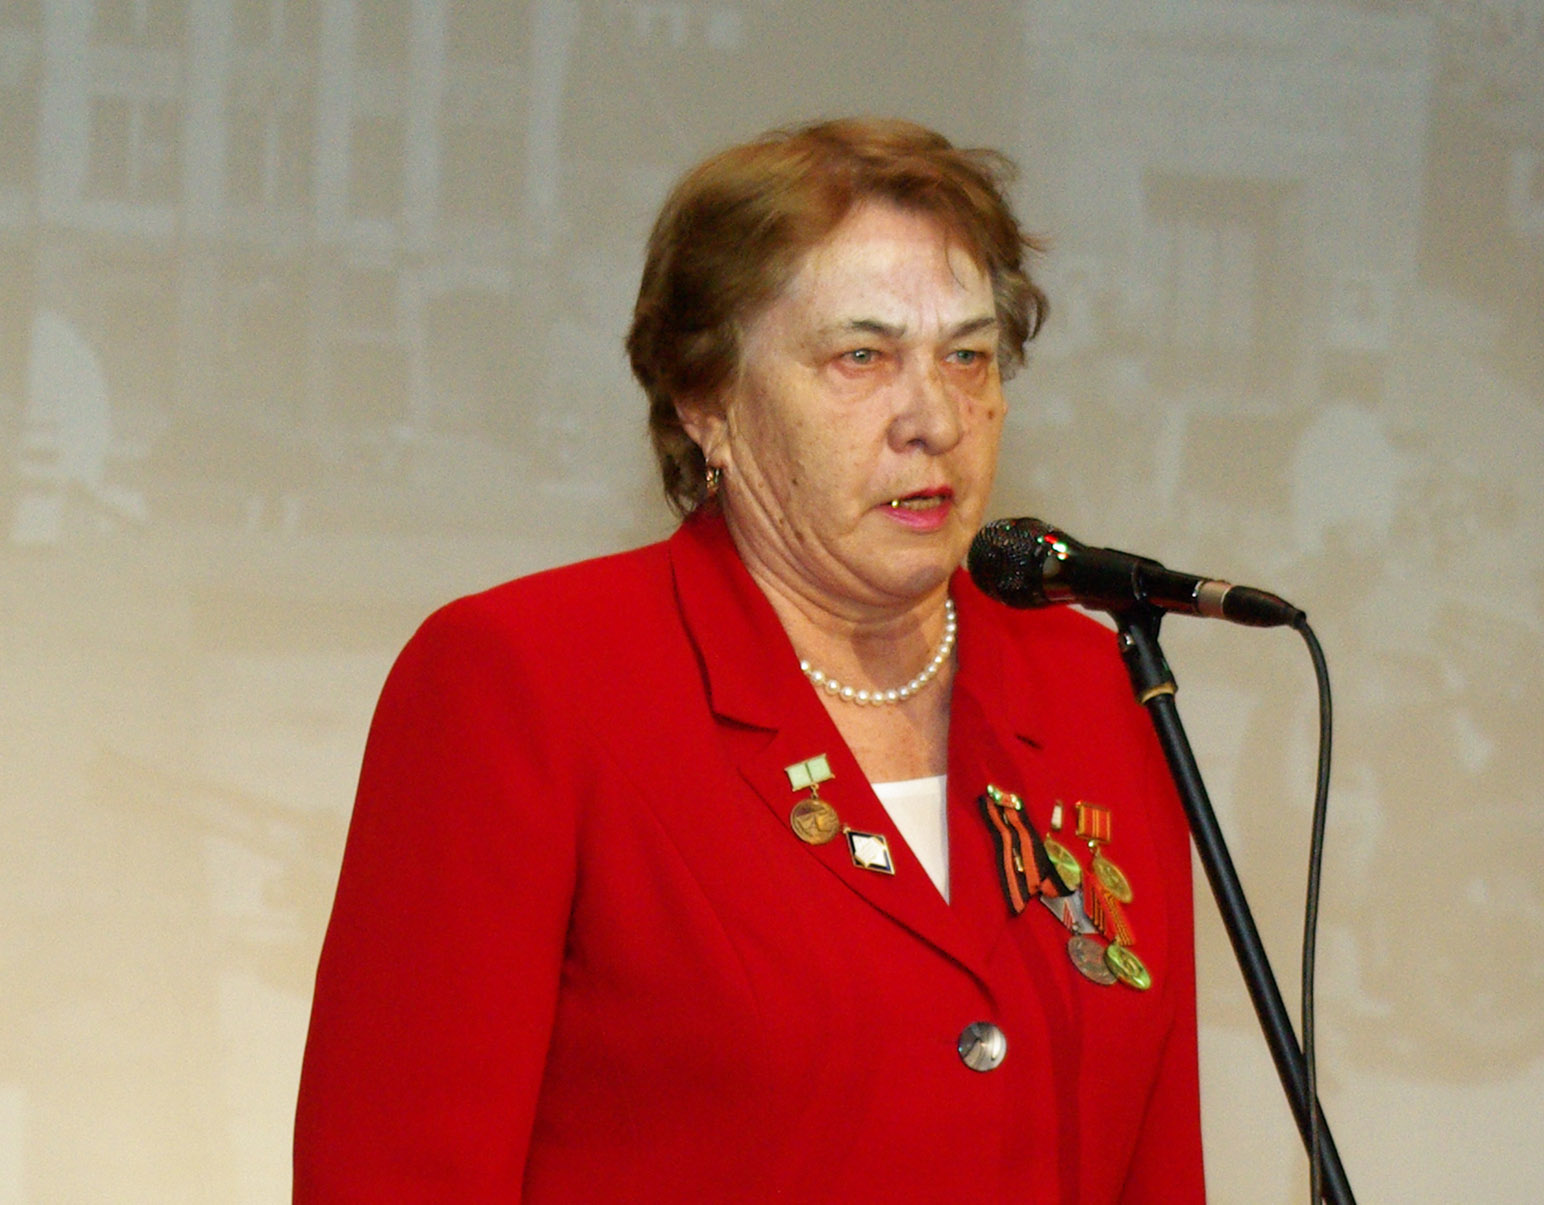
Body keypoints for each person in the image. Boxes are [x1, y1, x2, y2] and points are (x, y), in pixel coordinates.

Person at [294, 117, 1204, 1202]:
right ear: (707, 399)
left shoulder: (1097, 686)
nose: (934, 416)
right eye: (861, 356)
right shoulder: (524, 681)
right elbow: (395, 1173)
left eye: (966, 355)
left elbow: (1158, 1163)